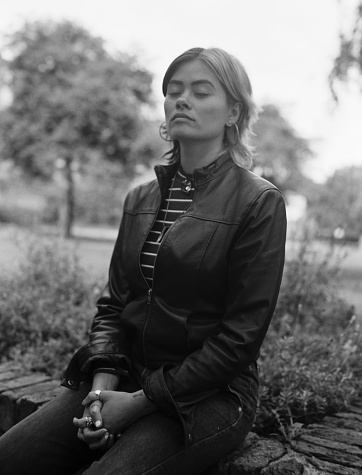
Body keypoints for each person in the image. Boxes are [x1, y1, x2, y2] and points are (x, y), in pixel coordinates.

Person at [0, 47, 287, 475]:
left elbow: (239, 339)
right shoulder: (140, 198)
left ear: (233, 112)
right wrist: (100, 394)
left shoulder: (259, 201)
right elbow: (114, 305)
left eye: (201, 91)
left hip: (211, 396)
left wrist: (137, 404)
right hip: (128, 373)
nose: (182, 100)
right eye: (174, 91)